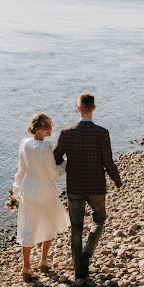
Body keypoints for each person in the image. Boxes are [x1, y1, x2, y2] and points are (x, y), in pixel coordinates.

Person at [54, 93, 122, 281]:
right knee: (99, 219)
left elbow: (56, 157)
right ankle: (87, 254)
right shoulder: (102, 133)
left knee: (76, 228)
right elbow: (108, 161)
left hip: (75, 187)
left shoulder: (66, 132)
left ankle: (79, 273)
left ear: (78, 109)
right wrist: (117, 180)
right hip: (96, 186)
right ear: (93, 108)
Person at [12, 113, 70, 282]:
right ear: (37, 128)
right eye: (46, 126)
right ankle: (43, 262)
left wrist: (16, 191)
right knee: (50, 223)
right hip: (45, 190)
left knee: (28, 227)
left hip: (28, 190)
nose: (50, 129)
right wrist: (65, 164)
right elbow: (53, 174)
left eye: (50, 125)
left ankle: (26, 267)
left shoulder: (24, 143)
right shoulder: (46, 147)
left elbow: (21, 171)